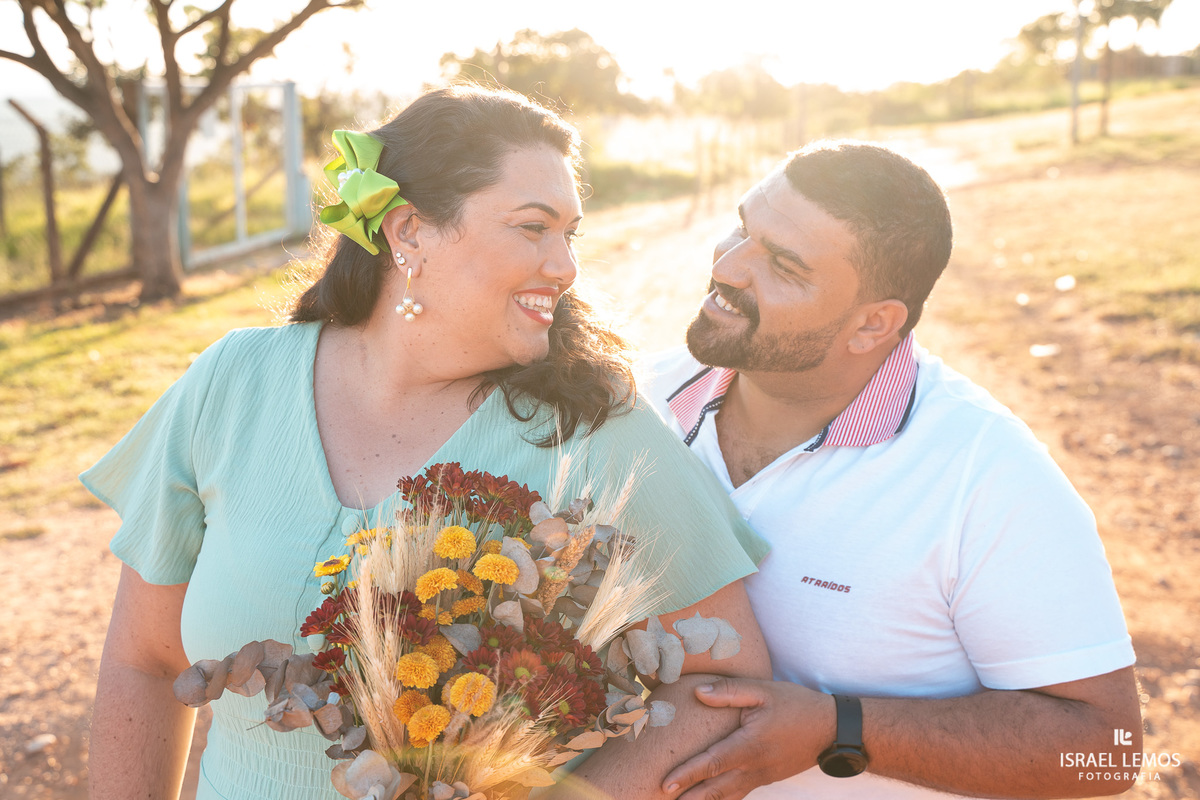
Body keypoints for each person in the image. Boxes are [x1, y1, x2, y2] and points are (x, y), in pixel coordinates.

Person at [82, 84, 771, 800]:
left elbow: (732, 681)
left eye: (571, 233)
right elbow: (145, 660)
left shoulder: (596, 433)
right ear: (409, 232)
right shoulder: (234, 381)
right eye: (533, 227)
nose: (565, 266)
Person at [640, 140, 1142, 800]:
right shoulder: (641, 401)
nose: (729, 265)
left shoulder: (987, 477)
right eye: (743, 226)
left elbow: (1106, 753)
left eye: (784, 264)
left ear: (873, 324)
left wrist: (840, 728)